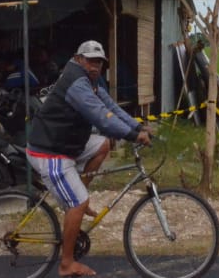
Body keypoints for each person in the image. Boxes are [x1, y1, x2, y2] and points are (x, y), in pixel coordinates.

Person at [27, 40, 151, 278]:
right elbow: (101, 117)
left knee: (102, 144)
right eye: (90, 61)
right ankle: (66, 264)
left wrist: (137, 125)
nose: (95, 66)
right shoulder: (77, 83)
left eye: (99, 62)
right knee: (78, 203)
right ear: (78, 59)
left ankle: (74, 200)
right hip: (50, 150)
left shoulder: (90, 81)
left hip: (65, 145)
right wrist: (133, 135)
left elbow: (110, 107)